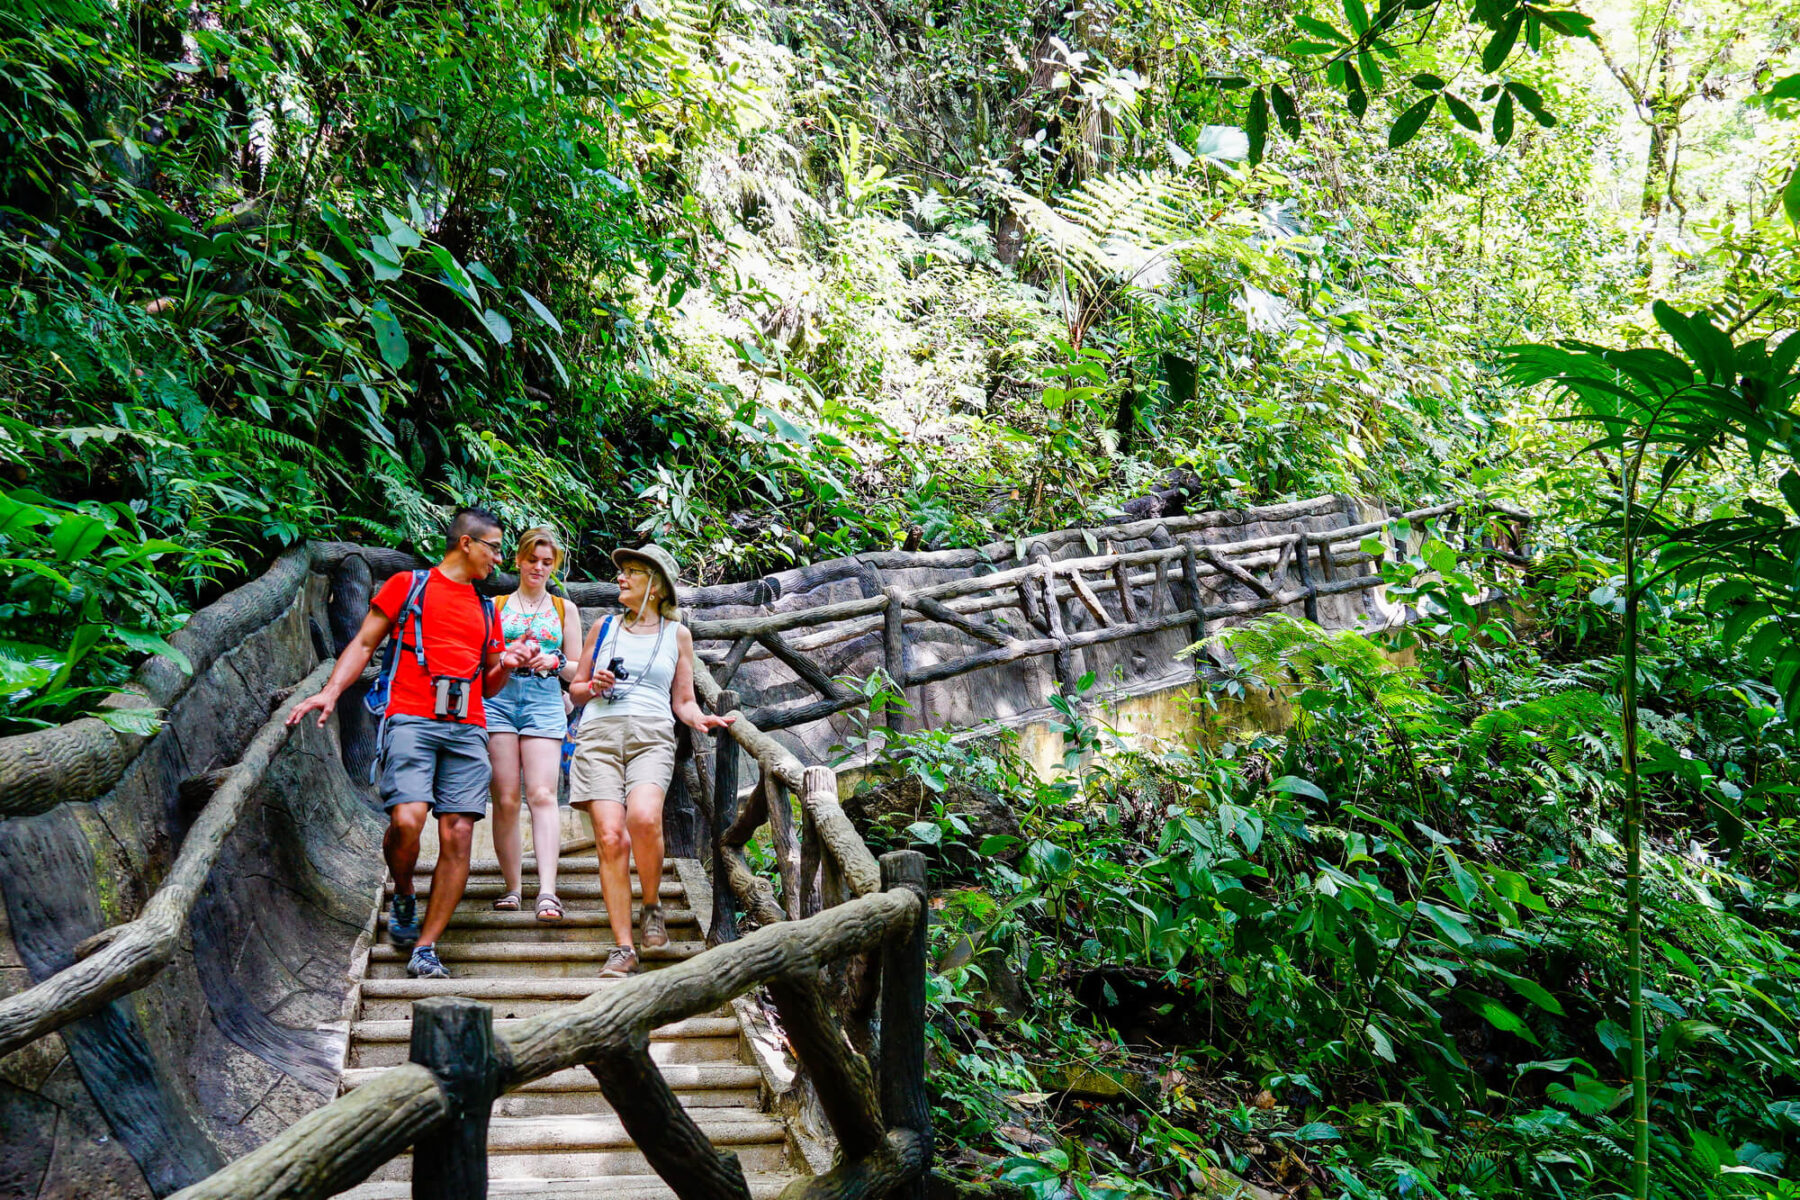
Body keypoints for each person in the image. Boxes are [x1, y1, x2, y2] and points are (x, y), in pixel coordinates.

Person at [288, 506, 533, 980]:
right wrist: (330, 691)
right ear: (466, 543)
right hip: (411, 718)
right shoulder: (409, 586)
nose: (498, 560)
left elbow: (489, 684)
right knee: (407, 818)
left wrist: (509, 663)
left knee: (458, 832)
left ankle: (426, 945)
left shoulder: (487, 608)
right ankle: (403, 891)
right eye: (494, 548)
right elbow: (362, 644)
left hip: (468, 727)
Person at [566, 544, 733, 977]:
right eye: (621, 570)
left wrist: (702, 718)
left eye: (631, 571)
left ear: (655, 585)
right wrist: (594, 685)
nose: (620, 577)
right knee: (609, 837)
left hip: (651, 736)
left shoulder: (677, 635)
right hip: (599, 735)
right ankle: (623, 948)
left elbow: (683, 700)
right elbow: (575, 691)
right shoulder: (603, 627)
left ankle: (653, 905)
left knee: (642, 818)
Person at [486, 527, 583, 920]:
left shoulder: (564, 609)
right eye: (532, 560)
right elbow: (485, 662)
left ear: (553, 566)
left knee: (543, 794)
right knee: (506, 797)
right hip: (500, 698)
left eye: (546, 563)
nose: (538, 568)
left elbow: (578, 669)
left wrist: (555, 661)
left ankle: (547, 891)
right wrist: (509, 656)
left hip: (544, 699)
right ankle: (512, 887)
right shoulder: (496, 605)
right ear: (519, 560)